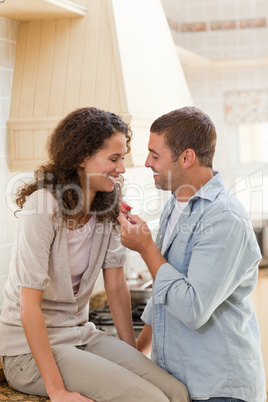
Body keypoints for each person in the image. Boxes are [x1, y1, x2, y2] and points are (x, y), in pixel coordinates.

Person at [0, 107, 190, 402]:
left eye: (122, 158)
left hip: (80, 337)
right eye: (114, 159)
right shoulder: (43, 208)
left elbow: (116, 287)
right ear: (82, 157)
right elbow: (28, 308)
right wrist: (57, 391)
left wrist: (131, 356)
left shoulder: (106, 210)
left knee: (177, 393)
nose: (122, 168)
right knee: (150, 399)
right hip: (28, 352)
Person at [118, 106, 267, 402]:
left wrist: (147, 248)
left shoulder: (223, 218)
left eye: (155, 154)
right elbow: (166, 291)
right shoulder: (177, 202)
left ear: (186, 157)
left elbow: (192, 308)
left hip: (219, 389)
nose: (147, 162)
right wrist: (138, 350)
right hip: (183, 381)